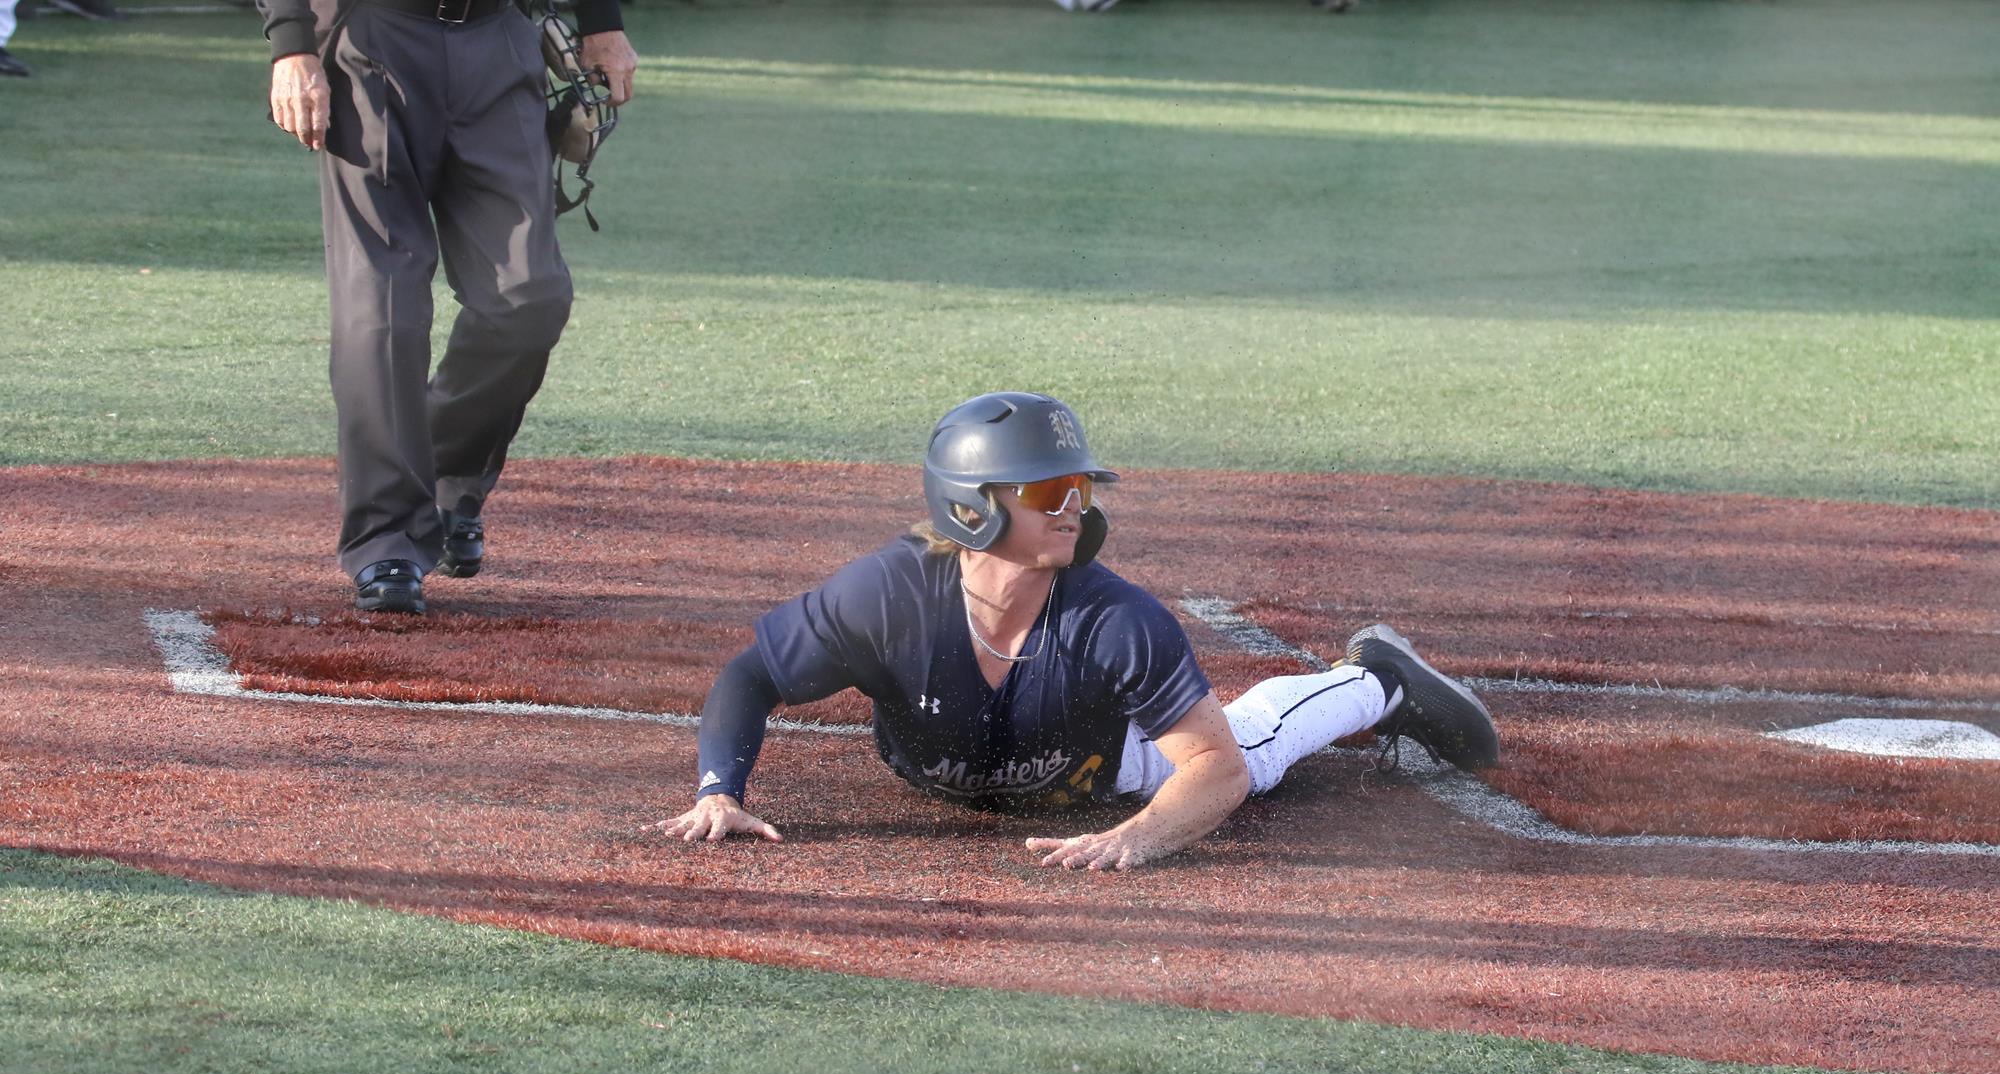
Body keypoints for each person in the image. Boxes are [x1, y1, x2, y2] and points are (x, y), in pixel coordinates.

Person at [646, 392, 1500, 872]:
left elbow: (1217, 769)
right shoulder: (888, 594)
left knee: (1256, 746)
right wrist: (719, 789)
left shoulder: (1115, 618)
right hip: (947, 767)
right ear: (970, 507)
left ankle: (1376, 679)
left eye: (1080, 489)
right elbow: (752, 675)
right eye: (1047, 491)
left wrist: (1138, 834)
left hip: (1102, 764)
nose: (1073, 508)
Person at [256, 0, 638, 614]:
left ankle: (446, 478)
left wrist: (602, 22)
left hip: (498, 39)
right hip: (373, 41)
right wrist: (291, 45)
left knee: (529, 298)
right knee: (383, 309)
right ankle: (385, 536)